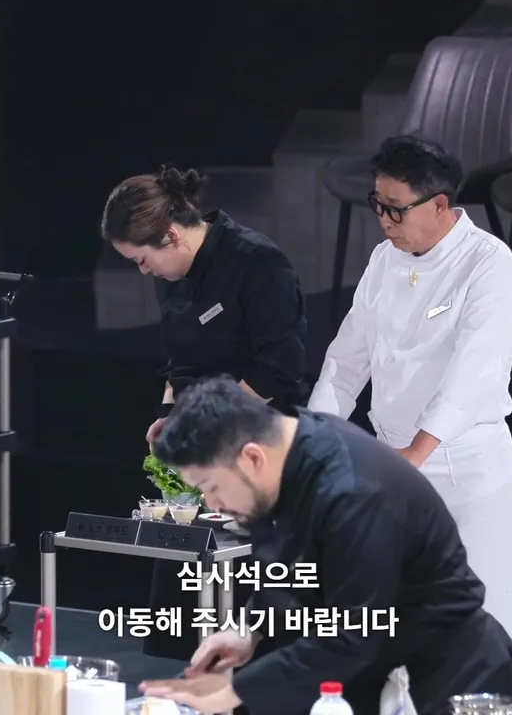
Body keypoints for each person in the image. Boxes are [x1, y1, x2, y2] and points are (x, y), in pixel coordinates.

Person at [138, 377, 512, 715]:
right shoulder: (291, 453)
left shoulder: (354, 491)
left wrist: (233, 691)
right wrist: (249, 629)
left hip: (450, 672)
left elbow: (352, 634)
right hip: (380, 666)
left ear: (251, 457)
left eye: (211, 487)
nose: (214, 504)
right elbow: (291, 568)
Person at [307, 135, 512, 651]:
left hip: (461, 466)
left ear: (439, 204)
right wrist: (318, 438)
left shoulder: (488, 263)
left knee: (476, 629)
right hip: (393, 463)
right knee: (394, 628)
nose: (384, 221)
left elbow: (475, 372)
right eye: (377, 205)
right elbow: (346, 361)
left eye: (396, 209)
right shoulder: (384, 259)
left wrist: (417, 452)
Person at [101, 164, 308, 659]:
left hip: (256, 446)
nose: (143, 271)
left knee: (245, 616)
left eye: (142, 259)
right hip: (199, 449)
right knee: (183, 610)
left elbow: (280, 367)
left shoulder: (257, 262)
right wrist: (171, 416)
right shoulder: (171, 275)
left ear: (172, 236)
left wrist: (214, 424)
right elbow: (181, 363)